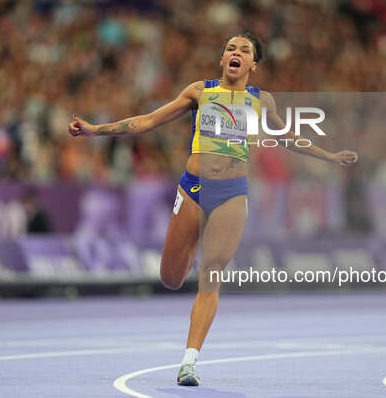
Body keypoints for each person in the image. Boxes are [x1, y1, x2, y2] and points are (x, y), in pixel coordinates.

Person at [69, 33, 358, 386]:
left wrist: (328, 156)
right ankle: (190, 244)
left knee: (212, 273)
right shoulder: (199, 92)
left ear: (254, 64)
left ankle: (189, 362)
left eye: (244, 50)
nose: (235, 53)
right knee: (171, 278)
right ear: (222, 60)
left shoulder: (262, 101)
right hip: (193, 189)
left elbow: (287, 137)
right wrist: (94, 130)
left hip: (232, 194)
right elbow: (147, 120)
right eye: (230, 49)